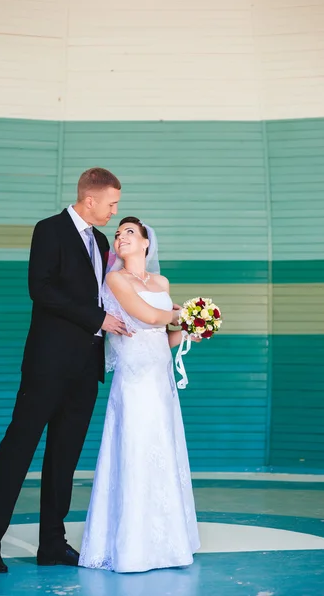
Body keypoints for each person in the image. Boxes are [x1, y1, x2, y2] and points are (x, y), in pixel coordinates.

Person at [0, 168, 131, 573]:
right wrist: (96, 318)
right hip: (47, 364)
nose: (115, 211)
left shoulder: (99, 241)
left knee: (64, 459)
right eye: (112, 203)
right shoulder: (49, 229)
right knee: (18, 449)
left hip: (85, 367)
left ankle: (52, 544)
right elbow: (40, 289)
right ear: (90, 199)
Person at [79, 217, 201, 573]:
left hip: (159, 378)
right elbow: (145, 314)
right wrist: (184, 313)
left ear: (147, 243)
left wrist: (193, 329)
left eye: (129, 232)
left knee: (163, 450)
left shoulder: (161, 281)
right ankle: (132, 548)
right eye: (117, 234)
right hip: (133, 378)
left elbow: (165, 336)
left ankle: (168, 541)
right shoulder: (115, 279)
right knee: (134, 449)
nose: (120, 237)